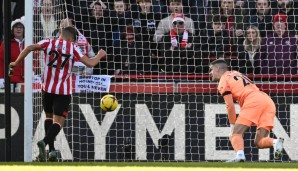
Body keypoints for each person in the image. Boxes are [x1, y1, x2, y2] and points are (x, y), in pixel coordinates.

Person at [9, 26, 107, 162]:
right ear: (72, 39)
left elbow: (29, 48)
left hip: (47, 89)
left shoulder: (48, 42)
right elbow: (90, 63)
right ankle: (44, 142)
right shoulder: (73, 48)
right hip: (62, 91)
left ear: (60, 34)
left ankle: (52, 151)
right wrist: (100, 55)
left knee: (48, 117)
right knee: (59, 122)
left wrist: (15, 62)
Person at [209, 59, 284, 162]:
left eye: (211, 70)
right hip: (267, 101)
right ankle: (275, 142)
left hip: (253, 100)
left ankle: (240, 156)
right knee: (259, 141)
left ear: (217, 69)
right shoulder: (236, 73)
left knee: (235, 133)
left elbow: (230, 105)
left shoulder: (223, 80)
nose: (210, 73)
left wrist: (232, 125)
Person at [0, 17, 25, 89]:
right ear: (12, 30)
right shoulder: (6, 44)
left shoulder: (29, 43)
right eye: (16, 27)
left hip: (27, 79)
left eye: (21, 27)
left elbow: (35, 60)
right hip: (11, 79)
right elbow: (1, 62)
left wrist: (33, 71)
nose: (18, 29)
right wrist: (1, 77)